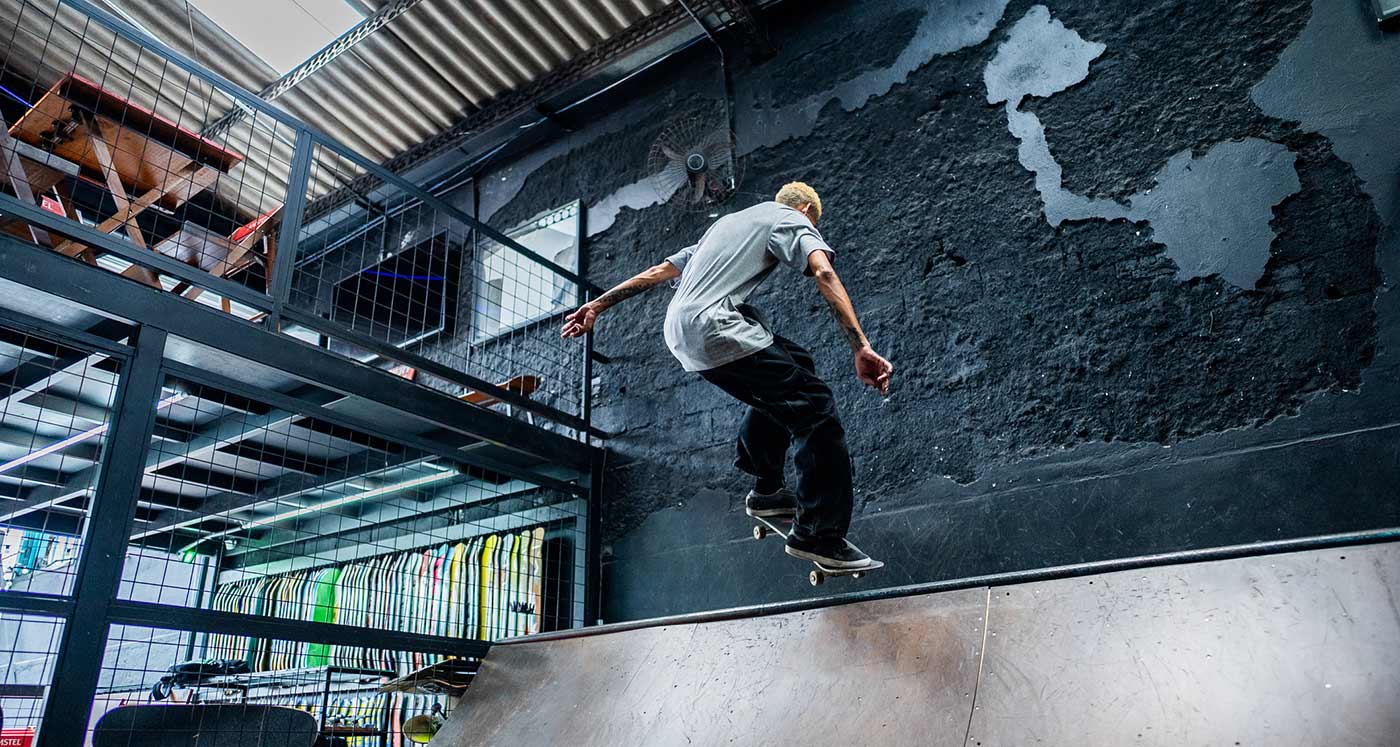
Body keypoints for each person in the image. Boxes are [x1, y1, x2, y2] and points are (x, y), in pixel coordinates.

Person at [562, 182, 892, 568]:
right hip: (716, 327)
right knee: (815, 409)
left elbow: (657, 272)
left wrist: (597, 306)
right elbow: (823, 271)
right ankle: (819, 534)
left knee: (795, 367)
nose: (811, 234)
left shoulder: (724, 226)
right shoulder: (791, 218)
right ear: (805, 209)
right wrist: (861, 347)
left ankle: (768, 489)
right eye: (812, 225)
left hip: (681, 333)